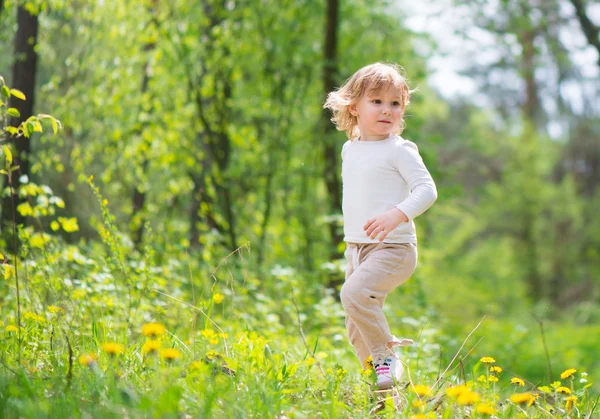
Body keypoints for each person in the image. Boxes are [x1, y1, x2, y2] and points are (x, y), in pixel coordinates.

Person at [323, 62, 437, 389]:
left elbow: (427, 190)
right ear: (354, 107)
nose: (387, 110)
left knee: (353, 294)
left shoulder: (400, 150)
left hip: (394, 248)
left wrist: (396, 214)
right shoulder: (350, 149)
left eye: (395, 103)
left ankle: (388, 357)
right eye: (377, 101)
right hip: (356, 249)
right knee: (356, 328)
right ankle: (385, 391)